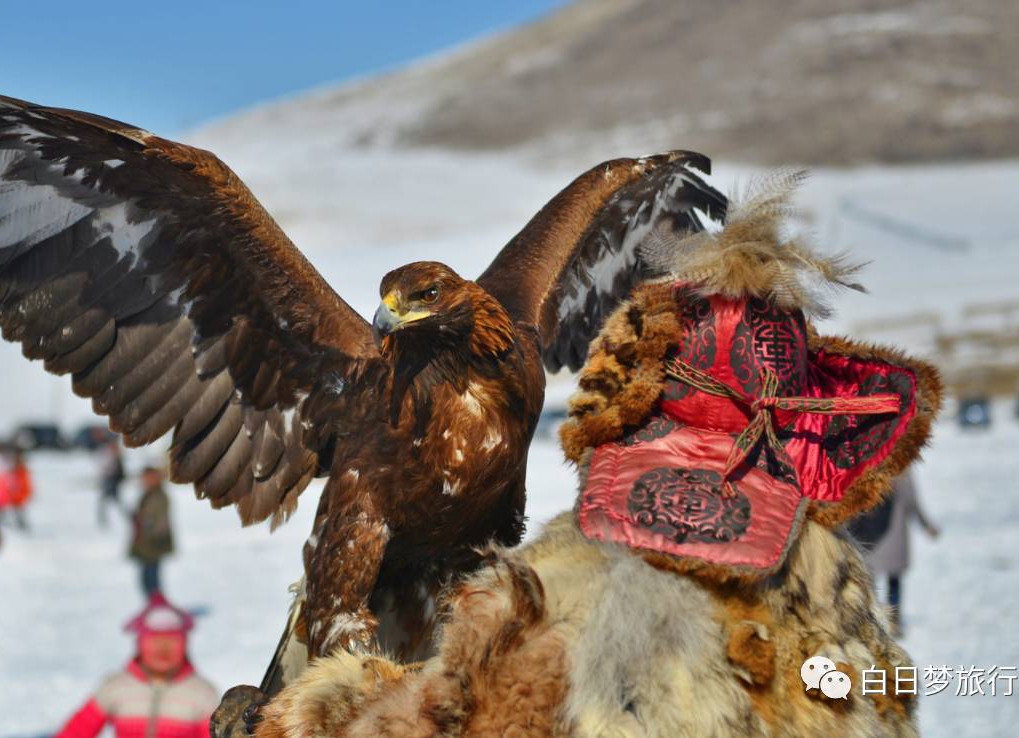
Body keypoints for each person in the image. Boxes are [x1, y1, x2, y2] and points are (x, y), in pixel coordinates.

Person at [213, 179, 941, 738]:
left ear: (625, 406)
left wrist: (293, 715)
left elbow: (441, 718)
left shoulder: (556, 608)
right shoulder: (844, 630)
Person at [55, 594, 219, 738]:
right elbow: (77, 731)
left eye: (172, 641)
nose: (163, 649)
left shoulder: (202, 694)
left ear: (185, 645)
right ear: (139, 645)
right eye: (155, 641)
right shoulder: (116, 687)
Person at [866, 470, 940, 635]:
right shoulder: (901, 472)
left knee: (869, 581)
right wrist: (926, 525)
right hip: (895, 534)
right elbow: (912, 502)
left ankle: (871, 619)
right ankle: (893, 620)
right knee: (894, 581)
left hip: (868, 536)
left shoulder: (870, 466)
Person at [130, 465, 174, 598]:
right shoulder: (147, 494)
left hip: (153, 543)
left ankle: (156, 604)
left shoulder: (160, 496)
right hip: (145, 543)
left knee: (151, 577)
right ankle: (152, 604)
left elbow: (161, 520)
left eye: (148, 478)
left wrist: (150, 529)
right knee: (145, 577)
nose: (144, 481)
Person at [0, 445, 33, 531]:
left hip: (15, 497)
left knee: (17, 510)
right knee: (0, 511)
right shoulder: (6, 471)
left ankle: (20, 525)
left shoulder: (21, 472)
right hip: (4, 497)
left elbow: (24, 485)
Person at [97, 438, 126, 529]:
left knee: (115, 500)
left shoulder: (118, 455)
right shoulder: (106, 454)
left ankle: (120, 518)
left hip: (115, 481)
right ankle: (104, 520)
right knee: (105, 500)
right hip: (109, 480)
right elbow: (104, 468)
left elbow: (121, 470)